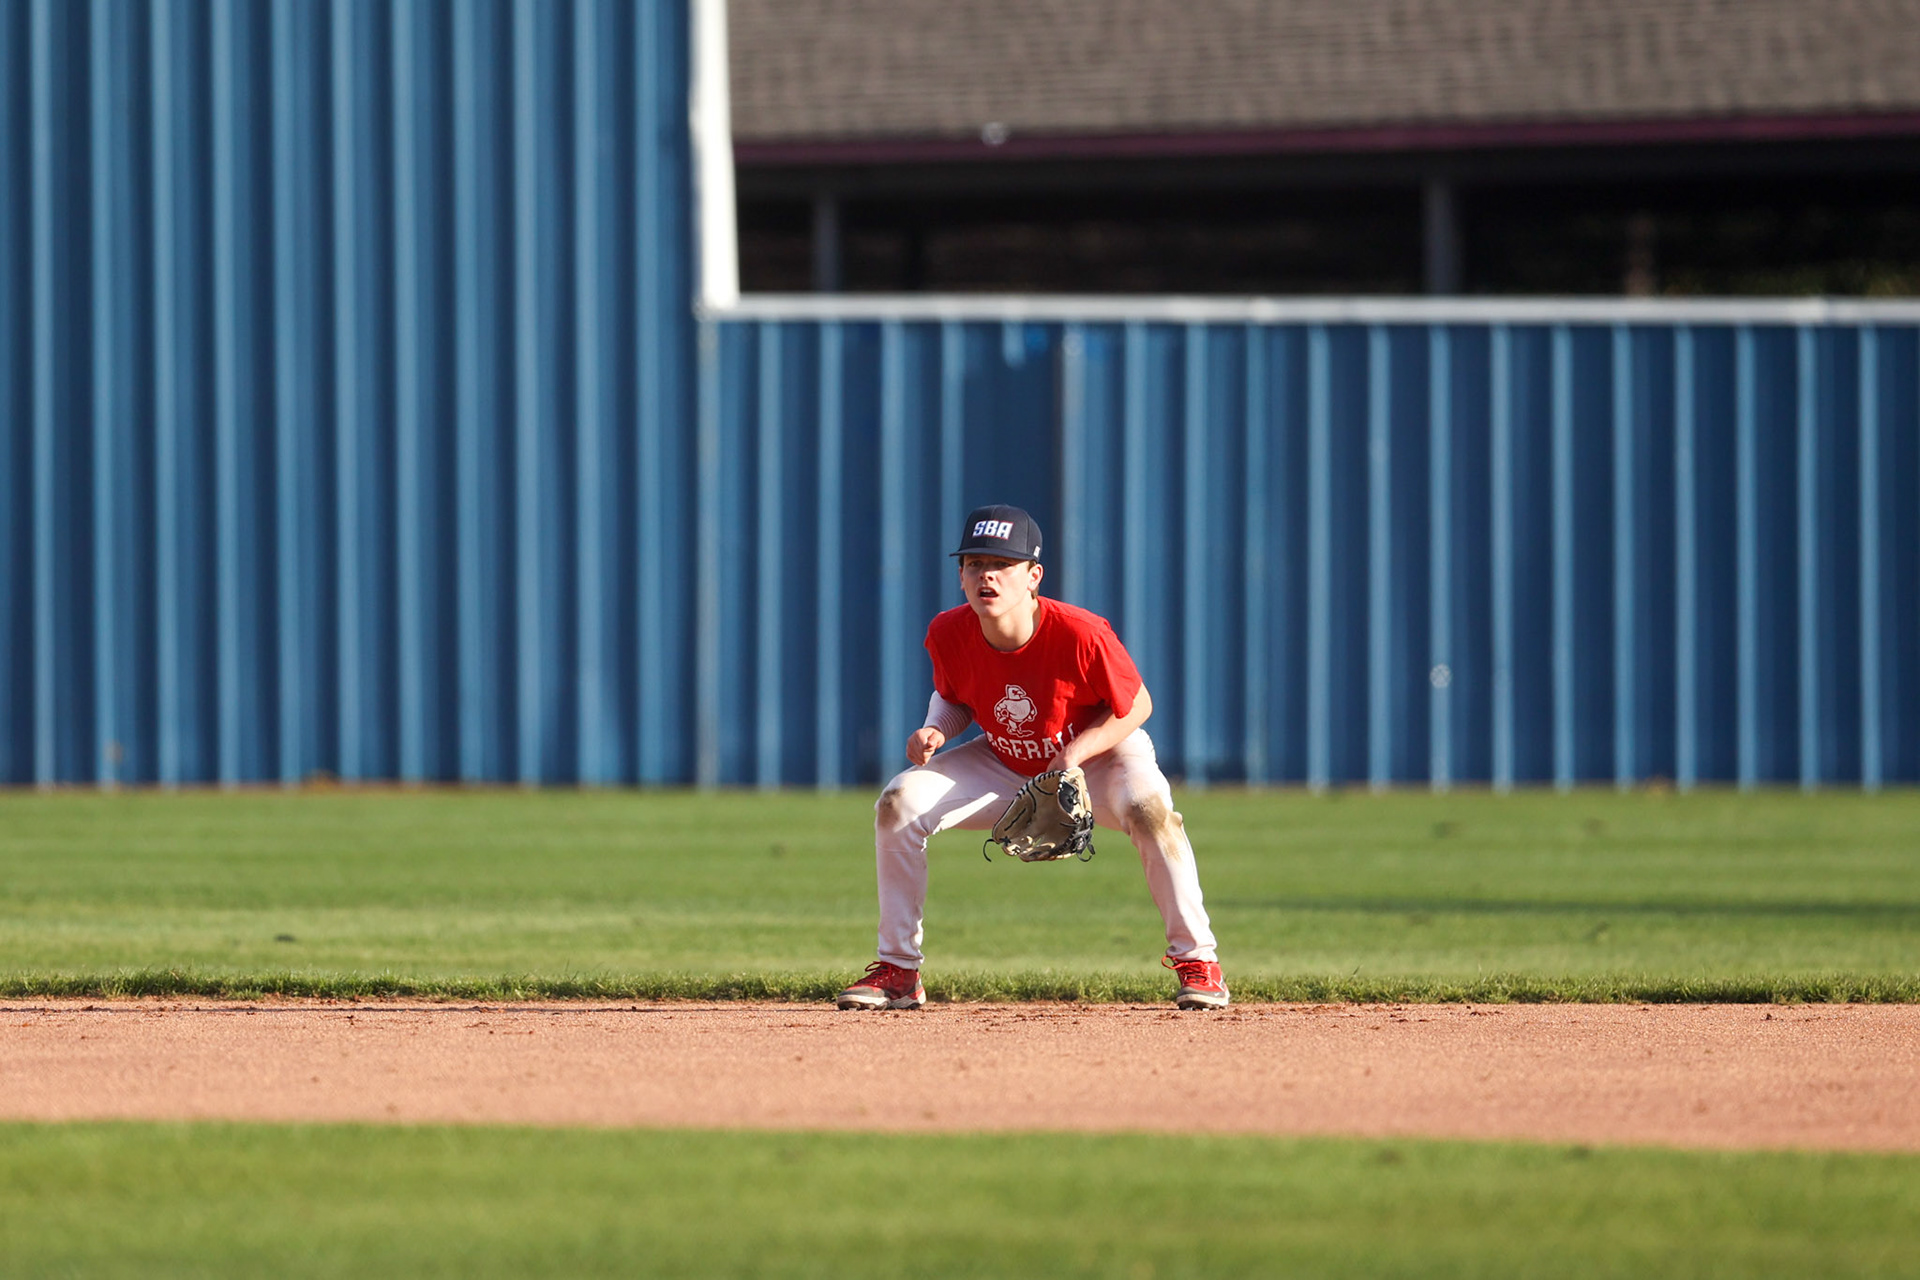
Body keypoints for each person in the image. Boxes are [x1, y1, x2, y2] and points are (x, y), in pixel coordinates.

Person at [837, 504, 1228, 1011]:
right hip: (1006, 760)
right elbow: (955, 698)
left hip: (1102, 754)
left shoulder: (1080, 632)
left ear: (1033, 576)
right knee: (898, 803)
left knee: (1151, 812)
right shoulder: (948, 632)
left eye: (1002, 565)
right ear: (960, 576)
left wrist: (1075, 753)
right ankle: (898, 971)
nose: (987, 575)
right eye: (975, 564)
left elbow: (1138, 705)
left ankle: (1199, 961)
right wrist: (936, 729)